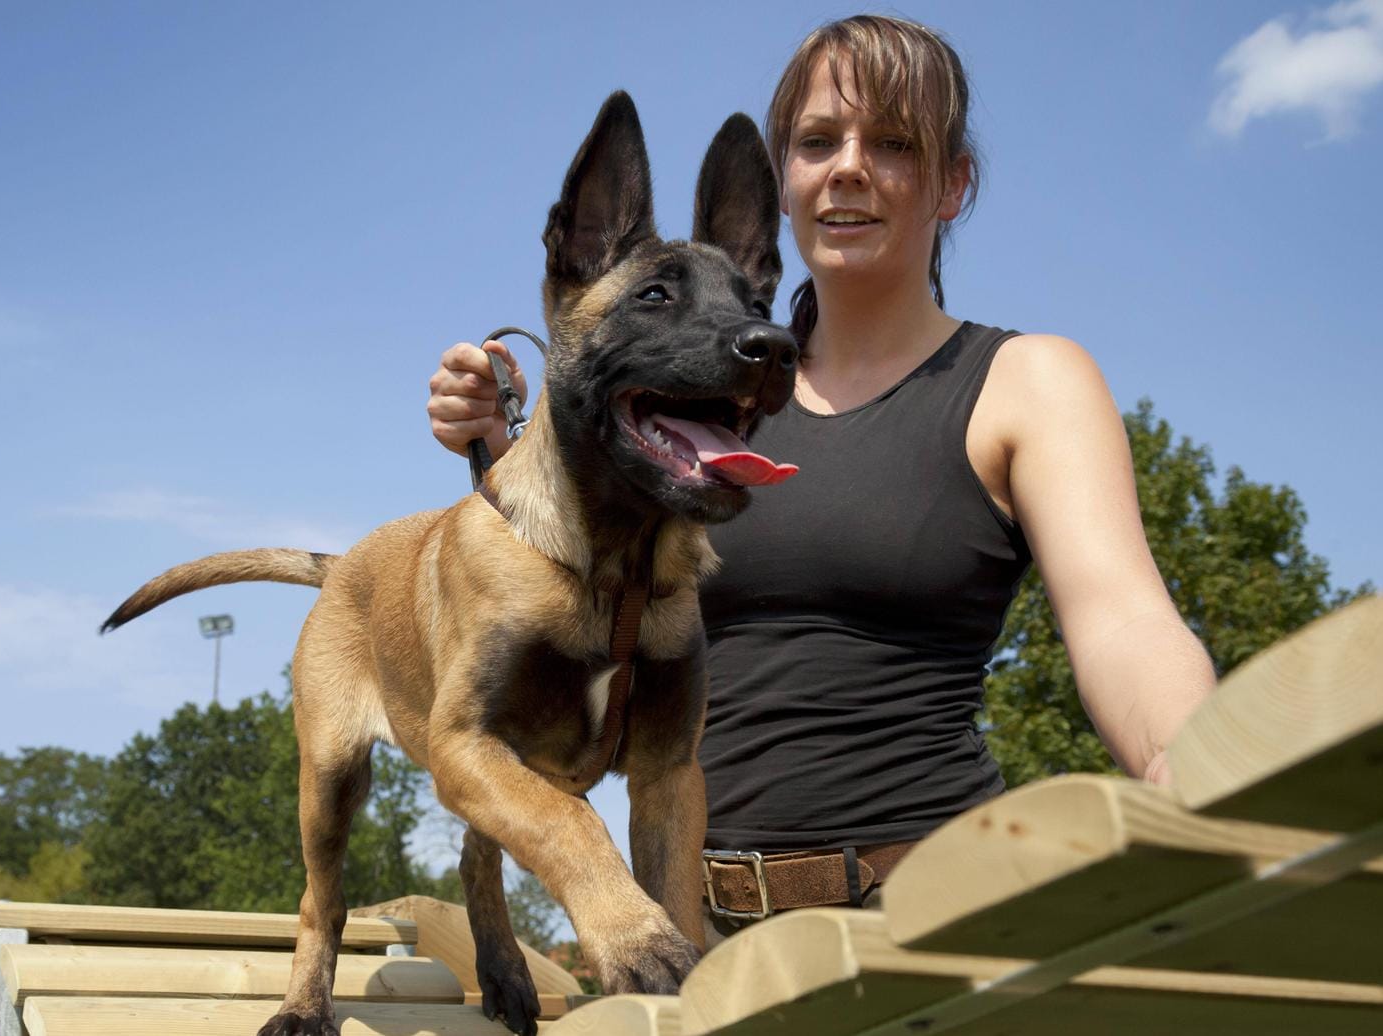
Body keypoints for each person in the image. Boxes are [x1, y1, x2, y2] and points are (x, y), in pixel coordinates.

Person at [425, 15, 1215, 926]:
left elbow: (1123, 619)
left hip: (933, 920)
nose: (848, 166)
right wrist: (500, 445)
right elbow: (559, 591)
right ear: (783, 183)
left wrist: (1192, 766)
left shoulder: (1026, 383)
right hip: (696, 933)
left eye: (894, 142)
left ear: (953, 182)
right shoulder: (683, 409)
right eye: (817, 141)